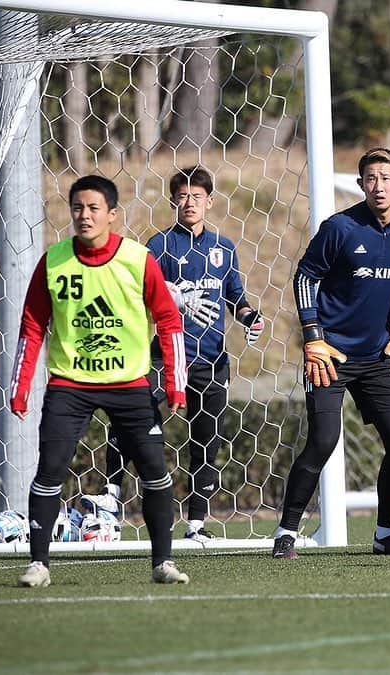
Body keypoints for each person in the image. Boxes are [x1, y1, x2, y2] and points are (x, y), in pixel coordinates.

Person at [9, 175, 190, 586]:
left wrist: (175, 383)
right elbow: (33, 325)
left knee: (154, 471)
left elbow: (168, 319)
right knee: (49, 470)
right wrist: (20, 388)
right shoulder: (53, 260)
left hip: (129, 383)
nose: (84, 215)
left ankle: (162, 563)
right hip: (69, 384)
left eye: (93, 208)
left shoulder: (137, 258)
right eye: (77, 208)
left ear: (111, 214)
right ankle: (39, 565)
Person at [80, 166, 264, 542]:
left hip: (212, 361)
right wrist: (172, 296)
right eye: (182, 196)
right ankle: (111, 497)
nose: (189, 203)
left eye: (197, 196)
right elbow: (136, 292)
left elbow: (235, 297)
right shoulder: (159, 246)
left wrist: (250, 318)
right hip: (163, 357)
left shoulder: (223, 248)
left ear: (210, 202)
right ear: (173, 201)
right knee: (131, 421)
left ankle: (196, 523)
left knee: (205, 442)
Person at [271, 147, 390, 559]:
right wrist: (313, 338)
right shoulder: (339, 227)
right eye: (370, 178)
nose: (379, 185)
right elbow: (306, 277)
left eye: (386, 177)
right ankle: (286, 533)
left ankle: (383, 535)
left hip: (378, 357)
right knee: (323, 441)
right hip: (330, 355)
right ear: (360, 185)